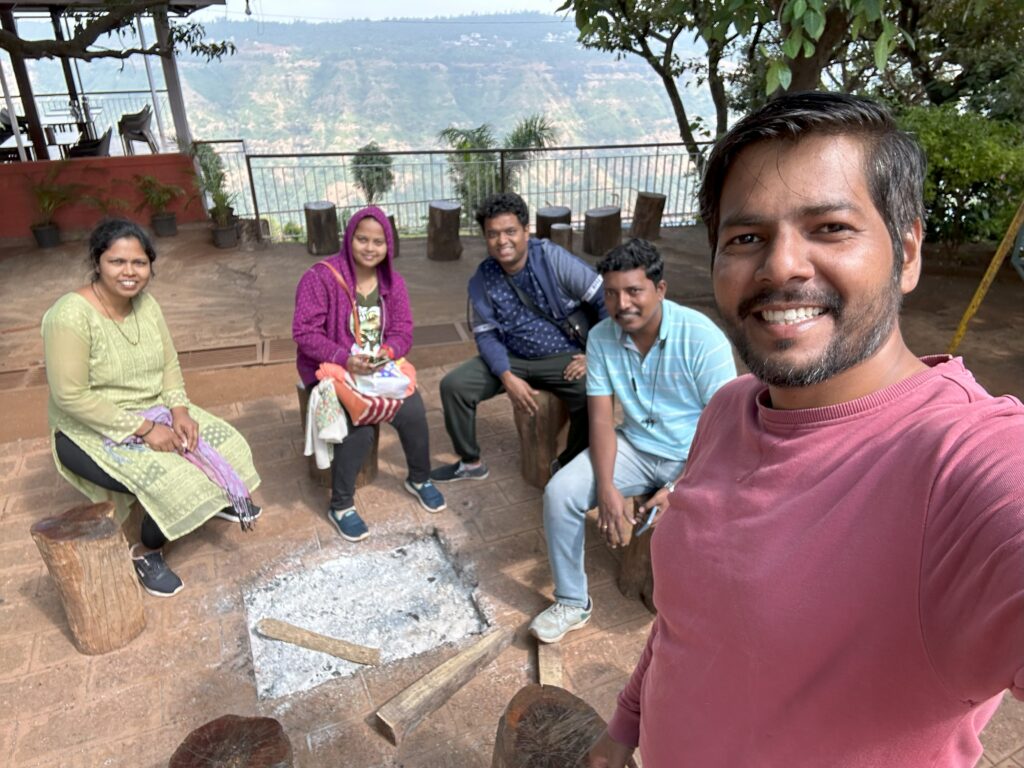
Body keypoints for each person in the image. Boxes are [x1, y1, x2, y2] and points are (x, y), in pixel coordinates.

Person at [588, 92, 1024, 767]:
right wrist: (626, 726)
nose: (781, 266)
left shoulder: (962, 465)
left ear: (907, 251)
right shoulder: (730, 409)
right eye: (746, 238)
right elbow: (688, 619)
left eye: (830, 227)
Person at [529, 238, 735, 643]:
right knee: (560, 492)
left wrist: (679, 487)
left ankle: (702, 610)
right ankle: (572, 600)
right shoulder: (601, 337)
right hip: (635, 447)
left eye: (634, 291)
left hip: (695, 455)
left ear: (660, 289)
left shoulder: (701, 337)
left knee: (715, 518)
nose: (622, 304)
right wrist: (607, 488)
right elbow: (601, 419)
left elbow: (727, 430)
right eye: (611, 293)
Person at [42, 219, 261, 598]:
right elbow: (70, 396)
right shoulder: (70, 316)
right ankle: (146, 550)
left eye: (139, 263)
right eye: (117, 261)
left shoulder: (147, 305)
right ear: (97, 262)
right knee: (176, 478)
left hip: (155, 409)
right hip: (88, 429)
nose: (129, 272)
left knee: (229, 445)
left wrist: (180, 411)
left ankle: (214, 498)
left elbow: (168, 364)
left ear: (150, 267)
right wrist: (144, 429)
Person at [431, 192, 607, 483]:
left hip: (562, 354)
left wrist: (595, 355)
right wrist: (506, 376)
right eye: (493, 234)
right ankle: (470, 462)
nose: (502, 241)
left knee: (593, 393)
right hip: (512, 357)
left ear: (526, 231)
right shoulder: (483, 278)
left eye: (510, 231)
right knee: (454, 386)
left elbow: (604, 298)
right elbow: (486, 336)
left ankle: (568, 464)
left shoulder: (551, 258)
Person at [293, 205, 445, 542]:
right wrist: (344, 358)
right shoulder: (320, 277)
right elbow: (304, 333)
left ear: (388, 246)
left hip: (375, 368)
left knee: (413, 410)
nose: (370, 248)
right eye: (362, 239)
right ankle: (341, 505)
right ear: (349, 238)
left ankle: (419, 478)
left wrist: (387, 353)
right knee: (359, 428)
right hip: (332, 367)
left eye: (379, 242)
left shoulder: (393, 283)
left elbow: (403, 331)